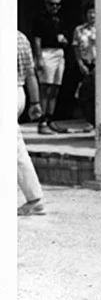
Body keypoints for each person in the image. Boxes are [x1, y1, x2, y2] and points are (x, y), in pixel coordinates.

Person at [30, 0, 68, 134]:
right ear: (46, 4)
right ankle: (41, 122)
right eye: (52, 4)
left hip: (59, 53)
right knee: (45, 88)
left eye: (58, 4)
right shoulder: (39, 19)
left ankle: (50, 119)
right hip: (46, 53)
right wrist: (38, 57)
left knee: (55, 88)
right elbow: (37, 40)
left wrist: (64, 41)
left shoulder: (59, 19)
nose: (55, 7)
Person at [17, 30, 46, 215]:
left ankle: (34, 197)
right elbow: (30, 73)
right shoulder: (20, 37)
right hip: (19, 91)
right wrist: (35, 101)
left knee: (15, 149)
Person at [72, 3, 96, 128]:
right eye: (89, 12)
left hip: (97, 65)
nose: (92, 15)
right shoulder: (79, 30)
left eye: (94, 12)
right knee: (81, 92)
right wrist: (80, 63)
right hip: (84, 63)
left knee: (95, 93)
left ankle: (94, 121)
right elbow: (76, 47)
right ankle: (85, 119)